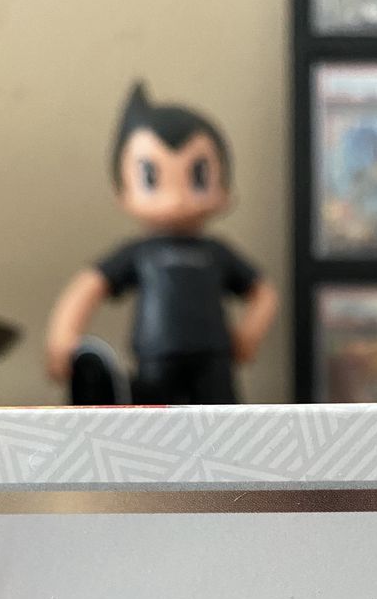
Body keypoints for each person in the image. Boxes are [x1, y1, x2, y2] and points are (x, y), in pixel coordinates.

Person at [46, 82, 278, 405]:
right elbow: (89, 285)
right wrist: (63, 337)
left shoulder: (216, 253)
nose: (176, 197)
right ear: (123, 190)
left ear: (224, 188)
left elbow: (263, 292)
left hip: (213, 357)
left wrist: (249, 334)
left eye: (198, 176)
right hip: (156, 356)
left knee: (221, 420)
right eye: (151, 177)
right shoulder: (139, 254)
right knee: (153, 415)